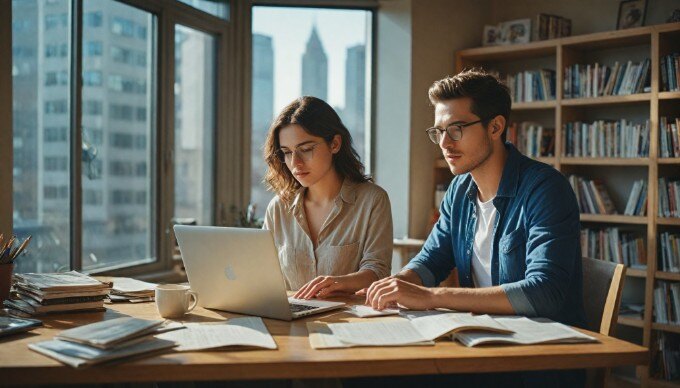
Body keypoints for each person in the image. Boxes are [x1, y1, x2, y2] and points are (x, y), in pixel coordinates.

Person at [363, 69, 586, 387]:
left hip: (535, 363)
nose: (444, 143)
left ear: (495, 127)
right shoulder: (459, 190)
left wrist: (429, 296)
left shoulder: (545, 188)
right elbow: (430, 261)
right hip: (482, 348)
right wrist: (393, 287)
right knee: (367, 373)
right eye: (438, 131)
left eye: (456, 129)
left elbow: (544, 292)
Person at [263, 96, 393, 299]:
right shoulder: (278, 208)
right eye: (287, 152)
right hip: (290, 322)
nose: (295, 162)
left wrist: (339, 283)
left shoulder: (372, 200)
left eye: (306, 149)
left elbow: (378, 272)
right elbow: (263, 275)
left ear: (334, 144)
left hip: (348, 322)